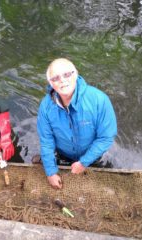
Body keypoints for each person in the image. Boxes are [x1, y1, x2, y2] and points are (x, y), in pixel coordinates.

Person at [37, 58, 117, 189]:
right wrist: (50, 172)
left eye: (67, 74)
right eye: (55, 78)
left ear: (76, 74)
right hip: (63, 154)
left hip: (92, 154)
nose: (62, 80)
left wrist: (84, 162)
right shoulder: (46, 106)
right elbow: (46, 140)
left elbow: (106, 137)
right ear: (50, 83)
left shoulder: (99, 100)